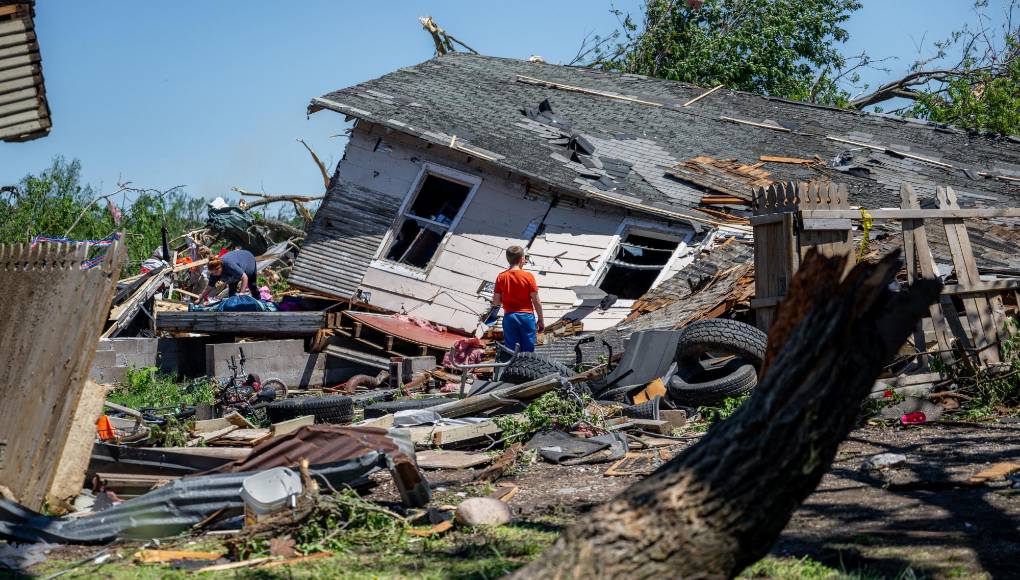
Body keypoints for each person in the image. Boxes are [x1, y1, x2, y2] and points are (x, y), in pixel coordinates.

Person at [482, 245, 545, 352]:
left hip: (510, 317)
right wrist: (541, 319)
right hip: (526, 317)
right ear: (522, 259)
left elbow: (496, 302)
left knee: (511, 352)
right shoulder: (528, 276)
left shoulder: (501, 277)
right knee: (528, 352)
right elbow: (536, 301)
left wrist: (506, 298)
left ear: (508, 259)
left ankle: (513, 368)